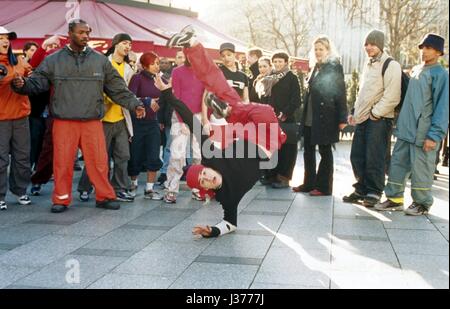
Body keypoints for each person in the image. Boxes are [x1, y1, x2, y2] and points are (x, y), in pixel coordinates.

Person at [12, 19, 146, 213]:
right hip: (64, 121)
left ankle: (105, 196)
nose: (86, 36)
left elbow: (118, 88)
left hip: (92, 121)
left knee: (99, 163)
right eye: (81, 32)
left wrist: (135, 104)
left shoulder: (100, 60)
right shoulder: (53, 60)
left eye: (88, 32)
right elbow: (37, 83)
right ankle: (61, 198)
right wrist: (22, 85)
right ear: (70, 33)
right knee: (62, 163)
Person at [164, 26, 286, 237]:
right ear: (207, 189)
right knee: (263, 111)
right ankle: (228, 111)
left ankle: (191, 43)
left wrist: (168, 94)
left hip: (244, 125)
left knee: (217, 82)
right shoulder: (227, 196)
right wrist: (212, 231)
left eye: (203, 173)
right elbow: (230, 223)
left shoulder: (212, 158)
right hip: (268, 138)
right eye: (203, 181)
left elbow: (193, 124)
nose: (206, 177)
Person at [375, 34, 449, 216]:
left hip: (424, 134)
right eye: (423, 47)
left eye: (429, 48)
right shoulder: (417, 70)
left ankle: (422, 203)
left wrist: (434, 135)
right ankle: (394, 199)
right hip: (406, 131)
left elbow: (443, 107)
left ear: (439, 52)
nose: (424, 51)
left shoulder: (441, 75)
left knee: (422, 169)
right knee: (398, 165)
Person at [343, 29, 402, 208]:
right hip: (363, 117)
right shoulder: (368, 64)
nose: (369, 47)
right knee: (357, 155)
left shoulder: (391, 64)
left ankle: (374, 191)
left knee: (375, 156)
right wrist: (354, 111)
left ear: (381, 45)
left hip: (379, 119)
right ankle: (361, 188)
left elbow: (393, 95)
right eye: (366, 44)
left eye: (373, 44)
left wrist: (376, 113)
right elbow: (363, 92)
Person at [77, 33, 136, 203]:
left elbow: (128, 93)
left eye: (130, 44)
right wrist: (109, 98)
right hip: (102, 119)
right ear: (116, 44)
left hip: (121, 119)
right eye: (125, 43)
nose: (128, 47)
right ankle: (85, 187)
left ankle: (119, 188)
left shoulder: (129, 69)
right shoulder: (103, 63)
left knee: (123, 156)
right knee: (96, 156)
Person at [293, 36, 348, 196]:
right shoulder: (315, 67)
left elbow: (340, 93)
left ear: (328, 50)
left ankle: (324, 187)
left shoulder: (334, 67)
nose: (318, 52)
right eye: (316, 49)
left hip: (326, 116)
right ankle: (309, 183)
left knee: (325, 151)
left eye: (321, 49)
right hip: (310, 115)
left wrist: (342, 117)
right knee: (308, 150)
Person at [163, 56, 205, 204]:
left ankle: (198, 188)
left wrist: (206, 119)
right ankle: (171, 190)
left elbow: (206, 98)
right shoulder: (177, 71)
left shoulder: (204, 71)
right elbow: (176, 97)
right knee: (177, 155)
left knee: (198, 155)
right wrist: (181, 121)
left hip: (199, 116)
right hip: (180, 116)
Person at [0, 26, 32, 210]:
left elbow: (34, 78)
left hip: (21, 117)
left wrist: (25, 81)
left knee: (22, 157)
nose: (5, 41)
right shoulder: (15, 65)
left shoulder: (18, 61)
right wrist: (15, 77)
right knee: (1, 159)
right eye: (1, 38)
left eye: (7, 38)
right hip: (1, 118)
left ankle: (20, 191)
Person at [258, 51, 301, 188]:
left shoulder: (291, 78)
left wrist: (285, 113)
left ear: (286, 62)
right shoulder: (269, 78)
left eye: (280, 61)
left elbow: (296, 100)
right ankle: (272, 175)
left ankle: (284, 177)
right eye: (275, 62)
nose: (277, 64)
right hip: (271, 118)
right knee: (273, 148)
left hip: (286, 119)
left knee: (287, 150)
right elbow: (265, 98)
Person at [128, 52, 164, 200]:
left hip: (153, 123)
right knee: (135, 154)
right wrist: (147, 100)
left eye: (158, 63)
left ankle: (149, 189)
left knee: (153, 155)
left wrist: (161, 119)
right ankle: (133, 184)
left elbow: (165, 97)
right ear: (144, 65)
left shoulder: (159, 79)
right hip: (137, 123)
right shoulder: (137, 78)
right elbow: (130, 97)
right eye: (154, 63)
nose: (157, 66)